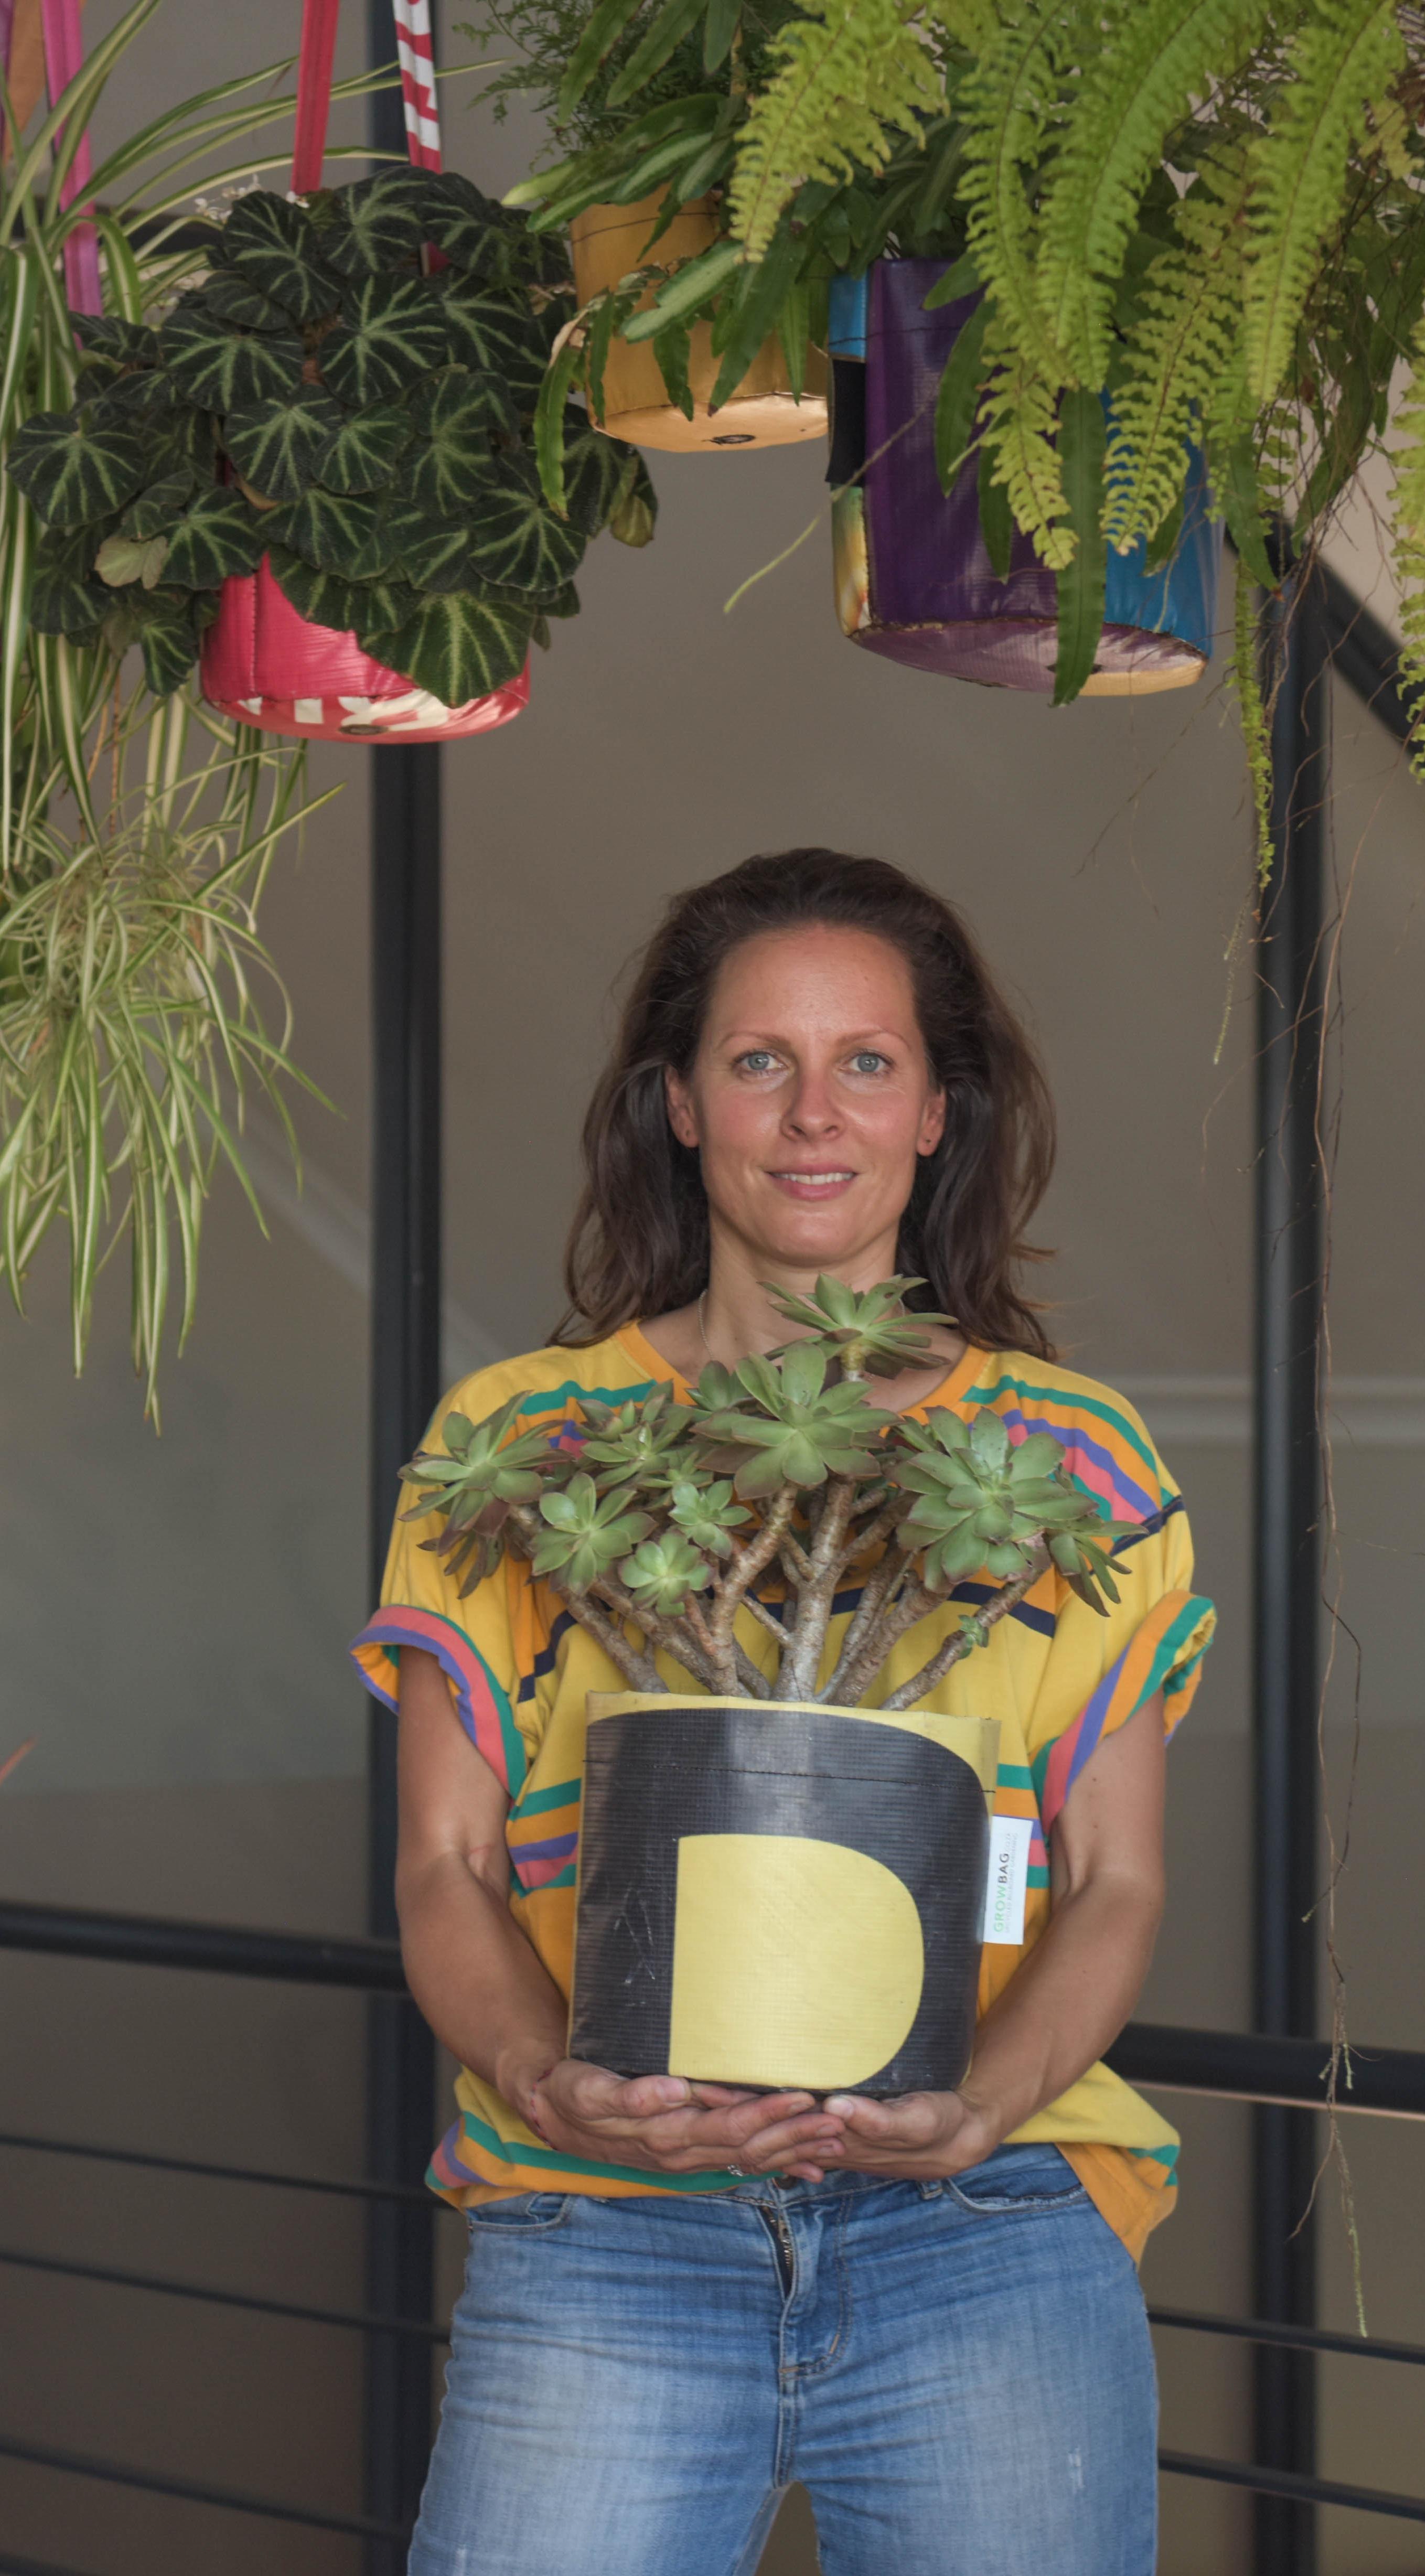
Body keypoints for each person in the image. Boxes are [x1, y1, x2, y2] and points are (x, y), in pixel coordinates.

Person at [353, 847, 1216, 2576]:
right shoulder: (526, 1441)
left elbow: (1116, 1878)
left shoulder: (1070, 1459)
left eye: (866, 1063)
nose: (812, 1113)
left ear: (936, 1113)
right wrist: (540, 2071)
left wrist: (985, 2098)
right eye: (760, 1062)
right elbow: (444, 1861)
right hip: (604, 2225)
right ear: (678, 1105)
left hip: (985, 2231)